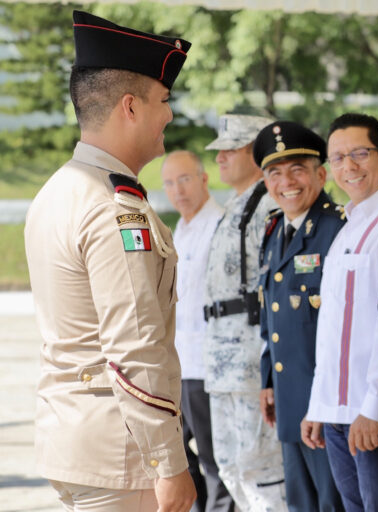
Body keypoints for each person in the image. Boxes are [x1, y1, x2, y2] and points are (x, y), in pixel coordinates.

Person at [24, 10, 196, 511]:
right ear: (130, 107)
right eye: (163, 100)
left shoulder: (59, 190)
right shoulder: (114, 209)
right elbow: (134, 348)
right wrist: (169, 463)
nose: (169, 114)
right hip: (123, 456)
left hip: (75, 439)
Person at [301, 113, 378, 511]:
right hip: (339, 410)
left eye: (359, 154)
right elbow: (334, 326)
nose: (348, 167)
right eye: (338, 158)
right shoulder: (349, 225)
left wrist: (375, 407)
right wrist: (319, 405)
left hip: (377, 413)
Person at [256, 121, 345, 512]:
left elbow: (345, 329)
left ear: (320, 174)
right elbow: (272, 313)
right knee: (301, 505)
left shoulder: (338, 229)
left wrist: (326, 404)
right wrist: (268, 379)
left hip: (328, 407)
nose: (286, 182)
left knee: (333, 503)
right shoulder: (276, 229)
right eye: (275, 173)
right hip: (291, 402)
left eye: (297, 169)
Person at [202, 114, 285, 511]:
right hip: (224, 364)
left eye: (230, 149)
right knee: (231, 469)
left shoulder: (269, 205)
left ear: (257, 153)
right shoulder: (237, 205)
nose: (219, 158)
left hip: (251, 363)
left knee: (262, 473)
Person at [161, 150, 233, 511]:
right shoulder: (180, 229)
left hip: (207, 364)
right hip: (179, 364)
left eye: (185, 179)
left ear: (204, 179)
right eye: (169, 183)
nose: (178, 189)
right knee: (176, 455)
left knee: (213, 455)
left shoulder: (220, 225)